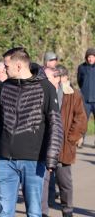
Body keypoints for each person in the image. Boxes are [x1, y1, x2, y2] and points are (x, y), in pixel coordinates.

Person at [0, 47, 62, 217]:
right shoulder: (3, 88)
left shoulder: (46, 88)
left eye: (6, 66)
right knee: (3, 211)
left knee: (34, 210)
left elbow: (55, 124)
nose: (3, 69)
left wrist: (52, 157)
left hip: (34, 160)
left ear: (19, 65)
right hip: (5, 159)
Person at [41, 66, 87, 217]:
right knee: (43, 182)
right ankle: (43, 212)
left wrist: (70, 139)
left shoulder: (73, 95)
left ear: (61, 78)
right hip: (44, 146)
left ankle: (67, 211)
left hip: (64, 146)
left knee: (64, 183)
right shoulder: (42, 92)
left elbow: (81, 118)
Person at [77, 47, 95, 146]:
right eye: (89, 57)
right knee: (83, 121)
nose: (90, 59)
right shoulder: (81, 67)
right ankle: (80, 141)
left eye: (92, 57)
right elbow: (79, 81)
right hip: (85, 100)